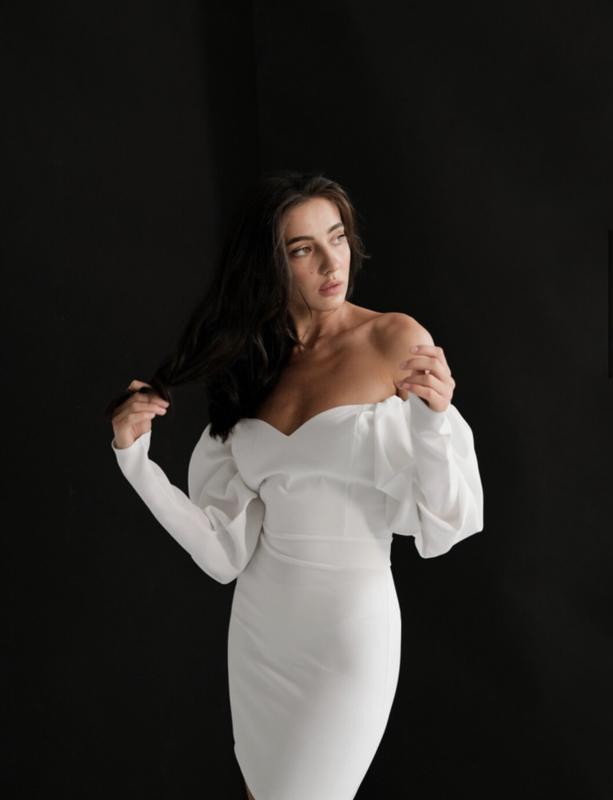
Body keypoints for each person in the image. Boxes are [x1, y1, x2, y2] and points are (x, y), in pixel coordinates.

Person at [106, 169, 484, 800]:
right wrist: (135, 462)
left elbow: (447, 520)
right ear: (269, 263)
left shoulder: (393, 339)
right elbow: (221, 554)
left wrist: (433, 421)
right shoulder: (252, 365)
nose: (332, 263)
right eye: (303, 249)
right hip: (261, 630)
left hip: (348, 631)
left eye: (337, 237)